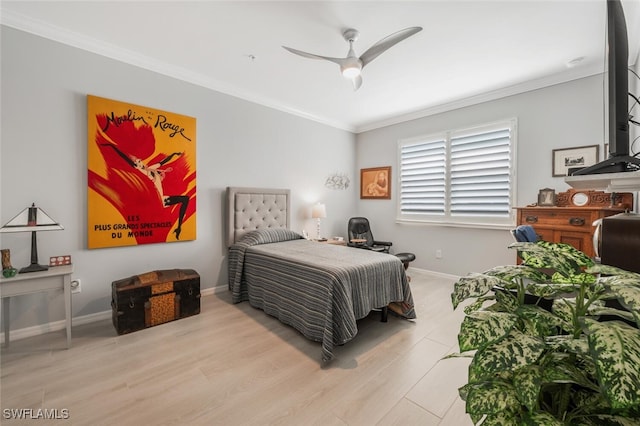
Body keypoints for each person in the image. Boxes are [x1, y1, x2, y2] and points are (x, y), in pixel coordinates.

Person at [101, 143, 189, 240]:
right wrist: (113, 147)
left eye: (139, 159)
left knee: (185, 199)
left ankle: (179, 228)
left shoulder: (151, 168)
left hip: (162, 200)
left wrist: (174, 154)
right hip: (155, 201)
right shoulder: (140, 172)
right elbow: (124, 157)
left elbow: (163, 161)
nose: (140, 160)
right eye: (137, 161)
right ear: (135, 165)